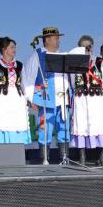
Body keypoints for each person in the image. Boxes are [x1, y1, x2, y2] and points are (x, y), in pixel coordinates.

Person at [22, 26, 71, 161]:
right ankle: (45, 161)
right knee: (45, 131)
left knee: (64, 130)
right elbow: (27, 78)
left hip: (62, 101)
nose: (58, 41)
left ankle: (64, 160)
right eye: (56, 38)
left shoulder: (63, 56)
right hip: (45, 101)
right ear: (47, 40)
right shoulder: (37, 56)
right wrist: (31, 99)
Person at [68, 35, 103, 165]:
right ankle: (82, 158)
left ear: (92, 47)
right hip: (81, 99)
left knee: (99, 125)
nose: (86, 49)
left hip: (96, 99)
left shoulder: (100, 62)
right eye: (83, 47)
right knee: (81, 126)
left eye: (88, 47)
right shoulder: (75, 64)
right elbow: (73, 83)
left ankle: (102, 157)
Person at [0, 37, 31, 144]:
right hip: (0, 101)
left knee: (16, 125)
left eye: (14, 47)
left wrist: (29, 99)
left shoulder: (19, 65)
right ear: (4, 49)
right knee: (1, 125)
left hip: (17, 102)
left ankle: (16, 150)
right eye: (12, 47)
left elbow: (25, 85)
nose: (15, 50)